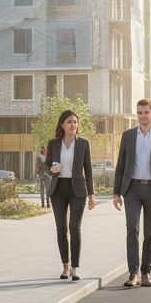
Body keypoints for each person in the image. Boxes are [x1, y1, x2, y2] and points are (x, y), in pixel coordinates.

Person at [112, 99, 151, 287]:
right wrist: (116, 193)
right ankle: (133, 273)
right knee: (132, 229)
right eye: (139, 113)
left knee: (150, 233)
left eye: (146, 112)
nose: (142, 116)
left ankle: (146, 272)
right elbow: (121, 165)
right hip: (132, 189)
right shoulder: (128, 136)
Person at [45, 111, 95, 281]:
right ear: (62, 125)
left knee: (75, 228)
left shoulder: (83, 144)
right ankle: (65, 266)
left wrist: (92, 194)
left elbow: (88, 170)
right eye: (69, 122)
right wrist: (50, 170)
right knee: (61, 229)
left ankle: (75, 267)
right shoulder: (53, 144)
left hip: (77, 190)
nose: (73, 125)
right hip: (58, 189)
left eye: (75, 122)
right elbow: (45, 166)